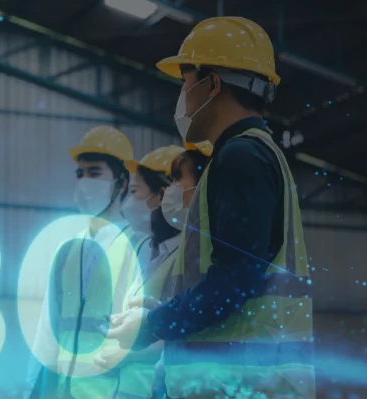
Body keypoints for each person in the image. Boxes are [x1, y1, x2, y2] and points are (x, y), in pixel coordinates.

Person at [106, 17, 314, 399]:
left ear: (212, 83)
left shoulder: (241, 157)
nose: (183, 97)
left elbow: (233, 282)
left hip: (238, 383)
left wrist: (151, 324)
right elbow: (240, 278)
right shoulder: (254, 154)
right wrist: (165, 312)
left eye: (186, 83)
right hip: (245, 379)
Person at [24, 126, 141, 399]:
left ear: (121, 183)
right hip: (66, 390)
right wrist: (32, 390)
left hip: (113, 390)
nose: (84, 181)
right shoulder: (67, 250)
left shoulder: (139, 246)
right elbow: (47, 332)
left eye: (95, 173)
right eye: (80, 174)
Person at [93, 144, 200, 399]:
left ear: (161, 195)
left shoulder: (190, 256)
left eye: (134, 191)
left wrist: (126, 356)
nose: (128, 202)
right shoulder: (143, 247)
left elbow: (181, 328)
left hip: (153, 385)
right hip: (122, 388)